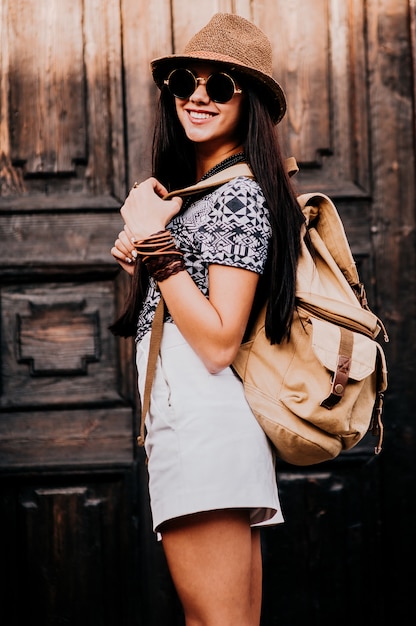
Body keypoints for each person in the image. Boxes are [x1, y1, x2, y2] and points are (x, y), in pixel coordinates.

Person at [110, 13, 305, 626]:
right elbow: (193, 312)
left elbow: (219, 341)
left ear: (248, 104)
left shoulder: (236, 195)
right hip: (209, 429)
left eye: (220, 86)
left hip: (201, 430)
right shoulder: (204, 194)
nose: (198, 95)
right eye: (186, 83)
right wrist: (148, 253)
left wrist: (157, 247)